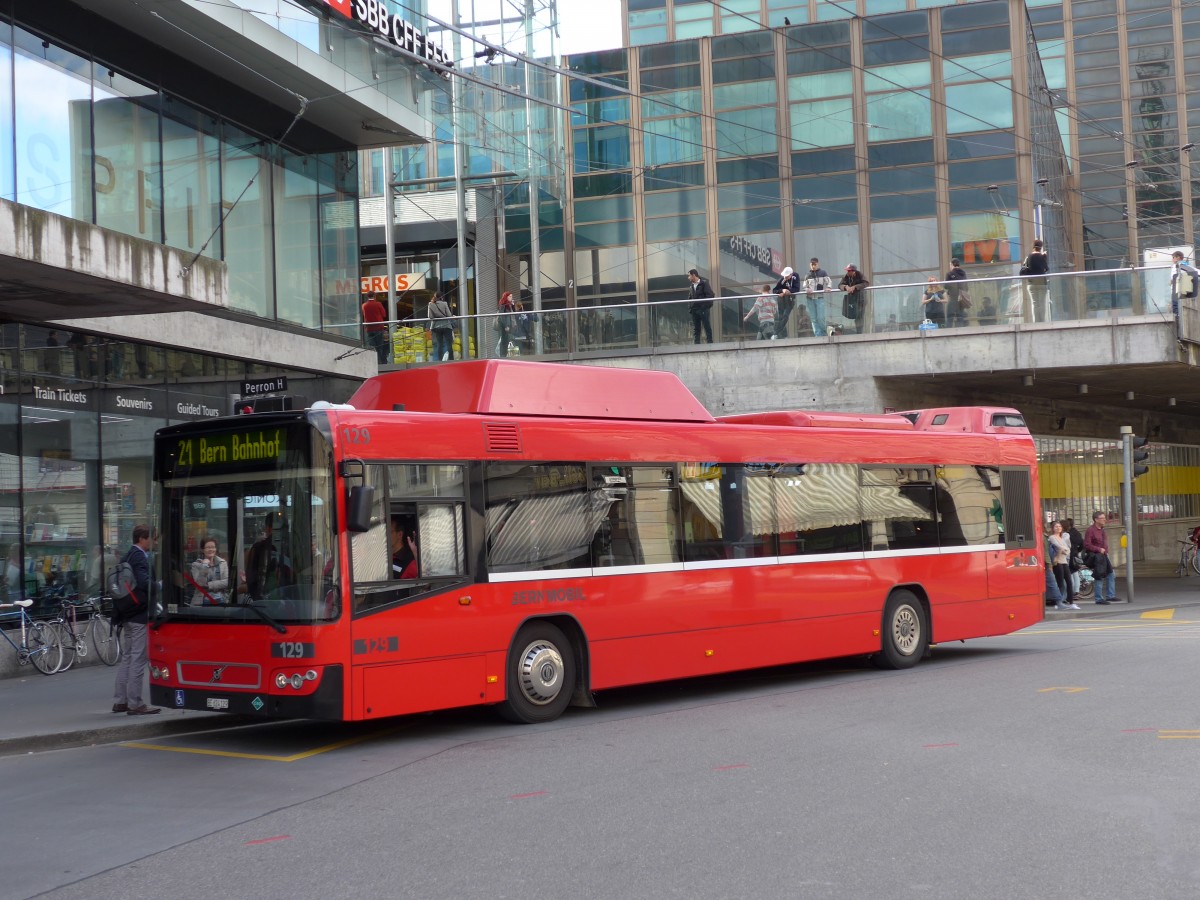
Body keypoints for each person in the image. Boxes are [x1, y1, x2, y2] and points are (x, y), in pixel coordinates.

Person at [111, 524, 160, 715]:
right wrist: (161, 586)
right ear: (142, 539)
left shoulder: (127, 555)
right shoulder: (140, 557)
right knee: (138, 658)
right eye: (152, 538)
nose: (154, 542)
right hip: (139, 614)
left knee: (128, 657)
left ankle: (120, 700)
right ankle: (135, 703)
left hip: (126, 613)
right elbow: (144, 584)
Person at [1084, 511, 1119, 605]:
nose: (1104, 520)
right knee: (1099, 575)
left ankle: (1110, 595)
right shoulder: (1090, 530)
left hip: (1104, 555)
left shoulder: (1102, 530)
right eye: (1102, 518)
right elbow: (1087, 545)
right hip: (1097, 556)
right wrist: (1098, 549)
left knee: (1111, 574)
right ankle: (1098, 598)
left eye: (1104, 518)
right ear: (1096, 519)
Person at [244, 515, 278, 601]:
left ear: (268, 528)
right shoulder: (293, 547)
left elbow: (251, 577)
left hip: (263, 602)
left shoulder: (259, 547)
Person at [188, 537, 229, 605]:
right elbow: (200, 584)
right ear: (203, 550)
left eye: (213, 547)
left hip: (221, 600)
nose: (210, 549)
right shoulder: (196, 565)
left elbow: (226, 582)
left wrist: (209, 585)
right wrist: (204, 566)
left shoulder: (223, 563)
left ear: (216, 549)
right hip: (203, 601)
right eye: (207, 547)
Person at [1047, 521, 1078, 609]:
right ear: (1053, 528)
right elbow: (1058, 547)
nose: (1058, 528)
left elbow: (1068, 549)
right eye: (1056, 526)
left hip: (1064, 561)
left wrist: (1063, 549)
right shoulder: (1052, 537)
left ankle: (1071, 602)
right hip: (1057, 562)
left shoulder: (1062, 537)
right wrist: (1063, 549)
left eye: (1059, 526)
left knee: (1069, 581)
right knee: (1060, 582)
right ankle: (1059, 602)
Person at [803, 258, 833, 337]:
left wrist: (829, 287)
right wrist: (807, 289)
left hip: (819, 298)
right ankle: (818, 335)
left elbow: (829, 281)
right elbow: (804, 286)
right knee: (813, 318)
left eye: (814, 264)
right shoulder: (807, 275)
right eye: (812, 264)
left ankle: (823, 333)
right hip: (810, 299)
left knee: (821, 317)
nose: (813, 266)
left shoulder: (823, 272)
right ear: (810, 265)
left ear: (817, 264)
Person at [1022, 239, 1050, 322]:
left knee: (1035, 303)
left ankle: (1036, 322)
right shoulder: (1042, 256)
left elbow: (1024, 266)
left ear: (1033, 247)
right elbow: (1046, 269)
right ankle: (1042, 322)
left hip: (1031, 283)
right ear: (1041, 247)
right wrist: (1044, 256)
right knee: (1042, 304)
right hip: (1042, 283)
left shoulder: (1028, 256)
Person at [1169, 250, 1198, 330]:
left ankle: (1178, 320)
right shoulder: (1174, 266)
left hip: (1179, 289)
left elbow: (1196, 272)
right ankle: (1177, 318)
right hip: (1175, 288)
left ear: (1178, 257)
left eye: (1173, 257)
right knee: (1175, 305)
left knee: (1176, 306)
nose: (1172, 259)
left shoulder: (1183, 266)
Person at [771, 266, 801, 338]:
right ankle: (781, 334)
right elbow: (774, 290)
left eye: (787, 276)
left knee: (785, 316)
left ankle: (776, 333)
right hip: (781, 300)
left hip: (790, 299)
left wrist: (789, 291)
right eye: (784, 276)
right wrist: (782, 291)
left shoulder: (796, 276)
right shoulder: (782, 279)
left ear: (791, 275)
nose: (785, 278)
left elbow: (797, 289)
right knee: (780, 317)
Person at [839, 264, 870, 333]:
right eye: (847, 270)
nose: (848, 272)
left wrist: (855, 287)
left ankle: (859, 332)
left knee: (859, 316)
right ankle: (855, 331)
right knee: (853, 314)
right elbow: (840, 285)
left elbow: (866, 283)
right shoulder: (846, 276)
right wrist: (845, 287)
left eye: (849, 271)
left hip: (861, 299)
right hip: (852, 299)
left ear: (854, 271)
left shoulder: (860, 274)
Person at [686, 268, 714, 344]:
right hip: (694, 310)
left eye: (689, 276)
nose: (688, 278)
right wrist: (690, 309)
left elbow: (710, 295)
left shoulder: (704, 283)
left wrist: (705, 307)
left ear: (693, 275)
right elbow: (690, 298)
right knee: (696, 328)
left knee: (706, 325)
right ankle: (696, 343)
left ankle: (710, 342)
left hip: (703, 309)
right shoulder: (691, 286)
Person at [361, 292, 389, 364]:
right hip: (379, 327)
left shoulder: (364, 305)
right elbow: (384, 314)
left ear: (367, 297)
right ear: (375, 296)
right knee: (380, 346)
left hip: (369, 328)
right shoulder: (378, 304)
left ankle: (374, 362)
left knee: (372, 347)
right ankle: (381, 362)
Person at [428, 293, 455, 362]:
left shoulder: (431, 304)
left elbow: (430, 317)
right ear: (442, 297)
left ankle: (440, 360)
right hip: (446, 325)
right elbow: (449, 315)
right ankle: (451, 359)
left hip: (437, 326)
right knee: (449, 343)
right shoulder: (444, 304)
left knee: (439, 344)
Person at [1065, 517, 1085, 602]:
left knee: (1070, 573)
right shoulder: (1077, 533)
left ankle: (1072, 592)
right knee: (1075, 573)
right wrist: (1078, 551)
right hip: (1075, 554)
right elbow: (1082, 543)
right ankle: (1076, 591)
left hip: (1069, 555)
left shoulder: (1067, 534)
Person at [944, 259, 968, 327]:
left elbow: (946, 286)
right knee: (960, 316)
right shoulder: (963, 273)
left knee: (950, 316)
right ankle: (960, 331)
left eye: (950, 265)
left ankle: (949, 332)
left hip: (953, 297)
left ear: (952, 264)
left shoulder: (949, 274)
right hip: (961, 298)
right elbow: (966, 287)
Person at [494, 291, 516, 357]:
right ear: (506, 297)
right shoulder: (503, 305)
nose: (511, 298)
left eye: (511, 296)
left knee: (507, 340)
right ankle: (502, 355)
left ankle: (505, 354)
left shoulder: (509, 305)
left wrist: (513, 305)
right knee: (504, 341)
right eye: (510, 296)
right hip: (504, 326)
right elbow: (502, 316)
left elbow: (514, 313)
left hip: (509, 325)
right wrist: (506, 325)